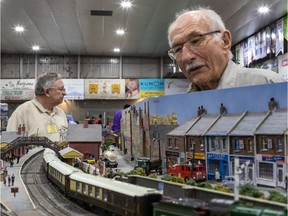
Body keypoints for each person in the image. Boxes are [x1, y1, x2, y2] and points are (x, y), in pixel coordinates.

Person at [167, 7, 285, 92]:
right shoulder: (184, 104)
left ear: (225, 41)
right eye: (178, 50)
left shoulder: (266, 84)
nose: (186, 57)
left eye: (196, 41)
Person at [6, 72, 68, 142]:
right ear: (47, 92)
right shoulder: (23, 112)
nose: (65, 93)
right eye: (61, 89)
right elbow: (9, 145)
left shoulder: (60, 112)